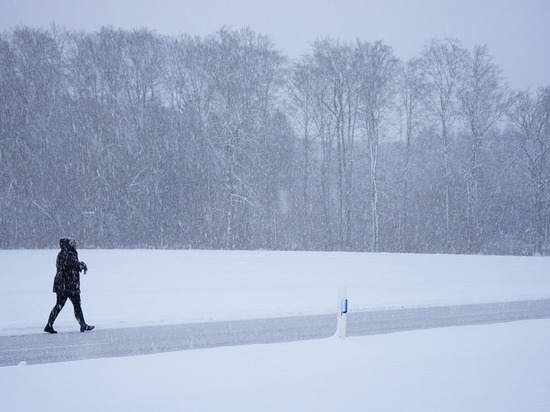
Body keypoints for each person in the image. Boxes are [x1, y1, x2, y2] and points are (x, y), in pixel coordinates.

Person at [44, 238, 94, 333]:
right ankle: (82, 324)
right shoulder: (69, 254)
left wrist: (78, 265)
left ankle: (50, 325)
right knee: (76, 305)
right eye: (73, 244)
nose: (75, 245)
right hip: (69, 285)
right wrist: (81, 265)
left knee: (60, 305)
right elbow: (71, 265)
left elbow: (68, 266)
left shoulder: (62, 253)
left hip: (62, 284)